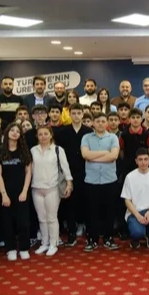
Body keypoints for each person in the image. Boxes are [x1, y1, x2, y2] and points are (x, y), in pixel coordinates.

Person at [81, 112, 121, 251]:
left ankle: (108, 238)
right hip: (91, 181)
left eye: (103, 121)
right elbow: (85, 154)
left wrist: (93, 158)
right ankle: (92, 239)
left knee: (109, 211)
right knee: (92, 212)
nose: (100, 124)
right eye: (97, 121)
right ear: (93, 123)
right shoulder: (86, 137)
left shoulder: (113, 137)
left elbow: (114, 156)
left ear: (107, 123)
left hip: (109, 180)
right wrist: (105, 153)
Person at [30, 125, 72, 256]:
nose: (43, 136)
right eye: (40, 134)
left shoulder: (58, 150)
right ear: (37, 136)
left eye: (46, 134)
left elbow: (65, 168)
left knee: (52, 217)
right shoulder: (33, 150)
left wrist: (69, 184)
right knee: (41, 218)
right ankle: (45, 242)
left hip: (52, 188)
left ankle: (54, 244)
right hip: (36, 188)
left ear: (51, 135)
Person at [0, 122, 32, 260]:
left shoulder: (24, 151)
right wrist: (4, 194)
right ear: (7, 133)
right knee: (7, 221)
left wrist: (25, 191)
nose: (15, 133)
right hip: (5, 192)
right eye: (12, 130)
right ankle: (10, 248)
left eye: (18, 131)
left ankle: (24, 247)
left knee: (23, 221)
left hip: (22, 191)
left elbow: (28, 172)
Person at [55, 103, 92, 244]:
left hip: (86, 171)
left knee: (85, 200)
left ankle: (85, 227)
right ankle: (71, 231)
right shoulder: (62, 132)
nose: (76, 116)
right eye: (74, 113)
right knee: (69, 202)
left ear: (83, 114)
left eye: (79, 113)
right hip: (67, 171)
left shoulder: (89, 131)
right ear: (69, 114)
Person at [120, 107, 149, 174]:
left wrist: (146, 161)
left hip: (143, 167)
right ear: (129, 119)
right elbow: (121, 150)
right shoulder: (123, 135)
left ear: (141, 119)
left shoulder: (147, 134)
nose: (135, 120)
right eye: (133, 117)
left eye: (138, 117)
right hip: (127, 167)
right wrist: (125, 161)